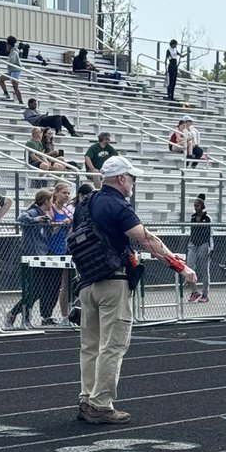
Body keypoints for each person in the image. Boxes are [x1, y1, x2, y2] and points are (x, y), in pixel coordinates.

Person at [68, 154, 196, 425]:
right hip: (113, 282)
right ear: (121, 179)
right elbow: (146, 240)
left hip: (87, 283)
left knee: (89, 346)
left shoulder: (84, 204)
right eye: (132, 178)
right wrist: (180, 266)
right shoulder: (117, 206)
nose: (133, 183)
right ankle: (101, 404)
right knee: (112, 346)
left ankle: (86, 398)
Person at [5, 189, 55, 328]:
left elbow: (46, 236)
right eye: (51, 200)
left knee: (38, 290)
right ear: (46, 201)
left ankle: (16, 314)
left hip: (41, 256)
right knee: (33, 290)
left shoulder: (45, 215)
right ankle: (18, 315)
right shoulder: (34, 213)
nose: (52, 203)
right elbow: (21, 218)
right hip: (31, 256)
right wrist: (35, 220)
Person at [42, 181, 74, 326]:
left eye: (68, 193)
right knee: (48, 284)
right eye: (64, 193)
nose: (67, 196)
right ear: (56, 193)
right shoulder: (52, 209)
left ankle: (52, 315)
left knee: (59, 286)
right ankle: (45, 315)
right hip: (51, 249)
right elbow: (49, 229)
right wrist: (62, 224)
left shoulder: (67, 210)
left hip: (64, 249)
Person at [186, 195, 212, 304]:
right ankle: (194, 291)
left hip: (204, 244)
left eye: (197, 206)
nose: (196, 208)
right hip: (194, 243)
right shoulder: (193, 218)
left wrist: (210, 247)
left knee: (204, 269)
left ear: (202, 206)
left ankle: (205, 294)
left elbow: (210, 234)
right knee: (190, 267)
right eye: (194, 206)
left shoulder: (207, 218)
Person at [0, 36, 23, 104]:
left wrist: (6, 61)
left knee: (15, 87)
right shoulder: (13, 51)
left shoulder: (14, 52)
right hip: (11, 71)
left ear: (9, 45)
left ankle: (20, 101)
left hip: (15, 71)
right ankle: (6, 93)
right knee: (0, 79)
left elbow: (12, 60)